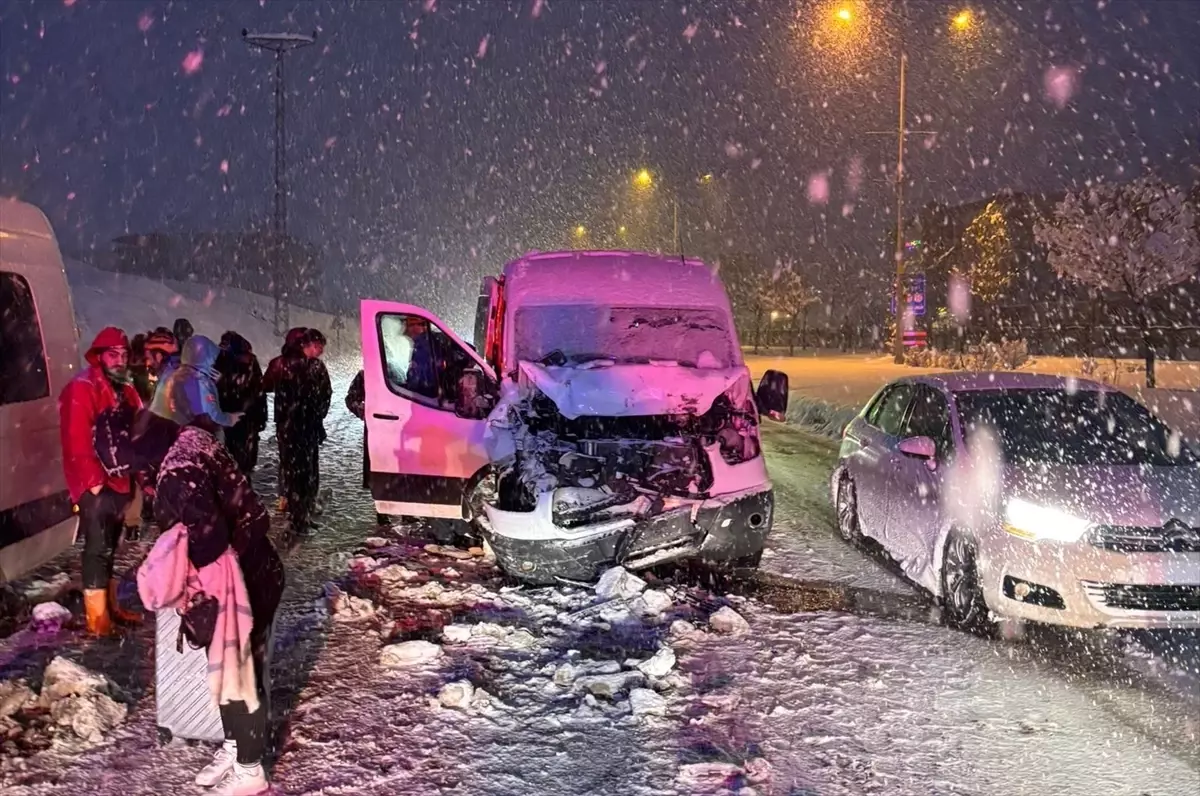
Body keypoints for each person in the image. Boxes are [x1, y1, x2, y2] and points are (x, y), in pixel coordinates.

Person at [109, 404, 283, 795]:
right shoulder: (190, 438)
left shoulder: (175, 474)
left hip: (239, 580)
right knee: (228, 667)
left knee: (239, 674)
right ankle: (237, 745)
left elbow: (209, 540)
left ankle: (250, 770)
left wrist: (170, 563)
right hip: (257, 564)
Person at [58, 326, 145, 634]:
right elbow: (76, 439)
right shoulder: (83, 387)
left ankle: (110, 607)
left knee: (110, 546)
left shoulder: (124, 386)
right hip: (98, 485)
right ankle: (98, 621)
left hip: (120, 481)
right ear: (99, 356)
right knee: (97, 548)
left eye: (123, 354)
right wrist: (95, 483)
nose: (119, 360)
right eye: (113, 354)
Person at [276, 328, 331, 534]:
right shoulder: (289, 365)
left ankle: (304, 515)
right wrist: (295, 420)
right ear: (305, 345)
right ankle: (297, 519)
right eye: (318, 347)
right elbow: (285, 400)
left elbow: (326, 393)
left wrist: (318, 416)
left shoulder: (316, 366)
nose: (320, 351)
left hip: (308, 429)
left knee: (309, 473)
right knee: (296, 476)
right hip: (293, 431)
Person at [152, 335, 244, 434]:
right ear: (207, 358)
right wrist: (230, 419)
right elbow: (212, 416)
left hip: (158, 432)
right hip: (182, 437)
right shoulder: (201, 382)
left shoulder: (170, 373)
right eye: (212, 359)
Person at [263, 327, 308, 512]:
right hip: (304, 418)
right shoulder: (308, 364)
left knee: (285, 459)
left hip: (284, 418)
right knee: (303, 459)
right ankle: (301, 496)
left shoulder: (278, 363)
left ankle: (285, 497)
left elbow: (266, 386)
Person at [216, 331, 268, 475]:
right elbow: (259, 392)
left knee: (238, 457)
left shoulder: (222, 362)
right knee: (239, 456)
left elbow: (259, 392)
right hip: (239, 416)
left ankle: (240, 486)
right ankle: (241, 486)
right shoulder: (228, 362)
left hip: (240, 416)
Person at [345, 370, 389, 526]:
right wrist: (364, 411)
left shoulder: (399, 372)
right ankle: (382, 512)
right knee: (378, 471)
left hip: (398, 430)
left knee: (401, 470)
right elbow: (351, 399)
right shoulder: (366, 375)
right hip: (376, 430)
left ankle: (404, 512)